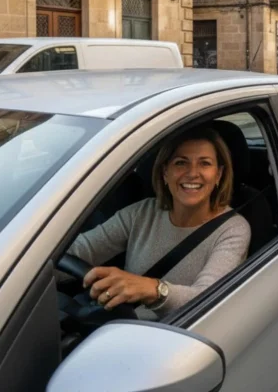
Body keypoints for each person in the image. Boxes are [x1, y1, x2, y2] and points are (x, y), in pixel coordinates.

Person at [67, 126, 252, 317]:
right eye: (181, 163)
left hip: (177, 336)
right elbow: (81, 249)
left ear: (218, 175)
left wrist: (154, 289)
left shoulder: (232, 230)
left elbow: (208, 299)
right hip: (122, 324)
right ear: (165, 172)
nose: (192, 173)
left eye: (204, 163)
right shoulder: (141, 213)